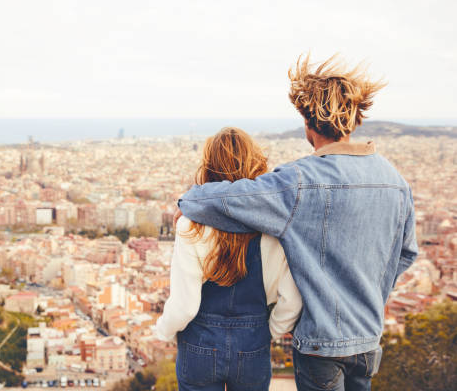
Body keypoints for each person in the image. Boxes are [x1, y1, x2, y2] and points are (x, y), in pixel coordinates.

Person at [175, 55, 418, 391]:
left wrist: (188, 203)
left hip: (320, 341)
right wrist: (368, 293)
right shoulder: (396, 181)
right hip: (367, 340)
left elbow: (235, 199)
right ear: (355, 119)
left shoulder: (298, 181)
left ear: (308, 124)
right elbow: (406, 253)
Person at [156, 127, 302, 391]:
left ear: (209, 167)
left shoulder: (190, 224)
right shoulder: (275, 227)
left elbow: (185, 306)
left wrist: (163, 330)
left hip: (199, 344)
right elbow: (291, 298)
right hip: (253, 344)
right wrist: (269, 332)